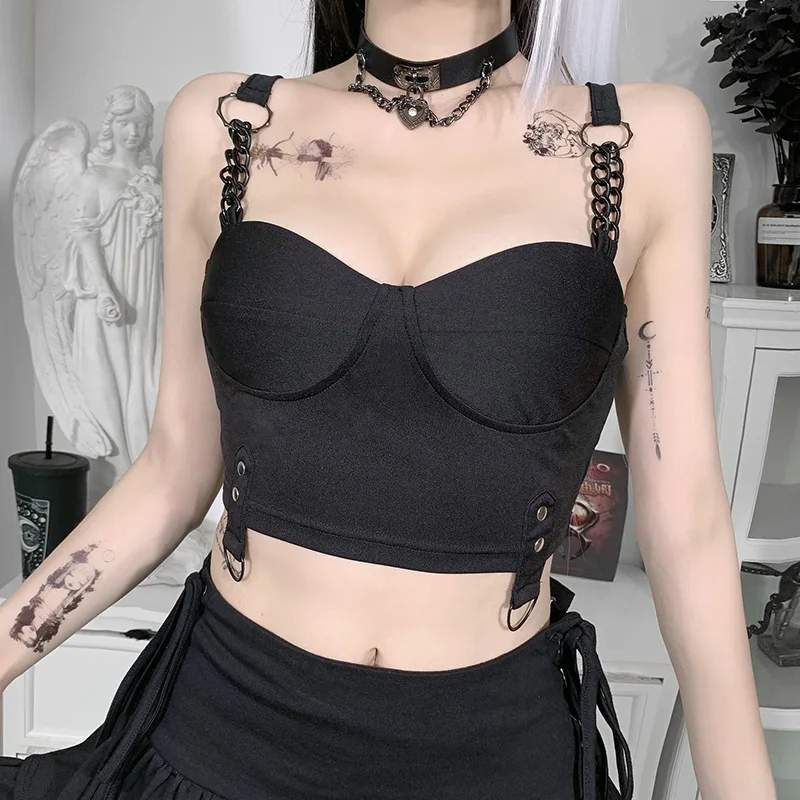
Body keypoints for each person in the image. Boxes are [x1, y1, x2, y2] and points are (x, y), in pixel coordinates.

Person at [0, 1, 777, 799]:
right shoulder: (229, 124)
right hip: (223, 730)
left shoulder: (637, 141)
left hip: (495, 757)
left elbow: (688, 526)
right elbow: (173, 472)